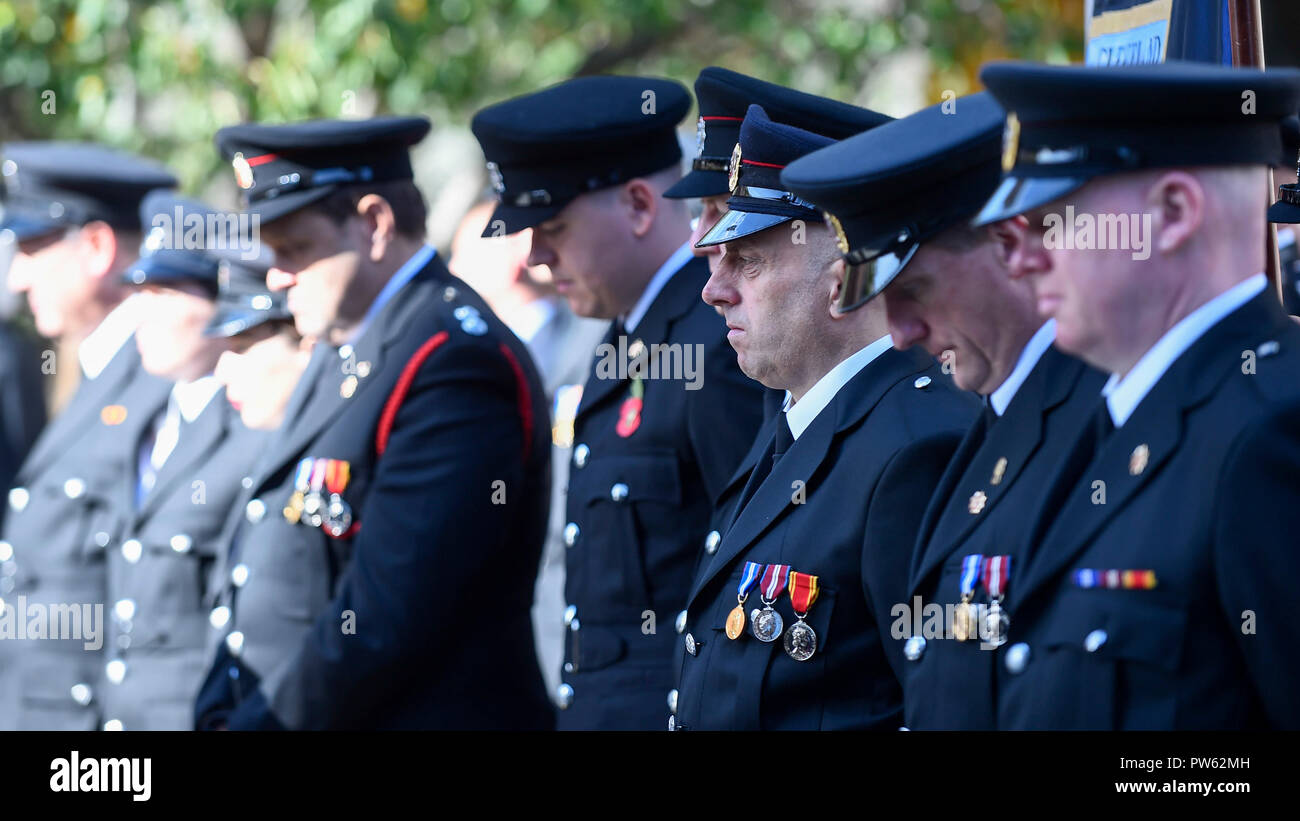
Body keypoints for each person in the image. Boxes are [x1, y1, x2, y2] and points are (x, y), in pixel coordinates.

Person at [193, 116, 554, 730]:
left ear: (373, 224)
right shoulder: (353, 342)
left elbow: (388, 616)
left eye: (294, 249)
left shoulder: (450, 358)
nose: (276, 277)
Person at [975, 60, 1300, 729]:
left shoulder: (1270, 430)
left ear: (1174, 212)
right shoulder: (1120, 415)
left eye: (1053, 220)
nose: (1021, 256)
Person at [782, 91, 1108, 729]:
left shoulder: (1099, 420)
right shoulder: (992, 423)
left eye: (915, 290)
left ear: (1010, 246)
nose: (900, 332)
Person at [471, 75, 767, 729]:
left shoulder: (718, 346)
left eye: (552, 227)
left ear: (638, 204)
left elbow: (753, 584)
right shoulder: (622, 339)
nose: (537, 256)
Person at [674, 104, 978, 730]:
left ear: (843, 285)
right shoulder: (791, 421)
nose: (714, 288)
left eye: (749, 261)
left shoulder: (916, 449)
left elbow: (941, 708)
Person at [0, 142, 176, 729]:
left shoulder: (158, 381)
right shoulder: (102, 371)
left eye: (31, 247)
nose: (18, 274)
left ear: (97, 247)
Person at [97, 192, 268, 731]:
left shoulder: (254, 435)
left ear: (223, 304)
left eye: (164, 293)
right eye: (139, 292)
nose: (139, 313)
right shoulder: (142, 418)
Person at [448, 199, 607, 700]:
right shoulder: (461, 360)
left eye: (464, 252)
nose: (452, 271)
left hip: (575, 634)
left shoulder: (594, 342)